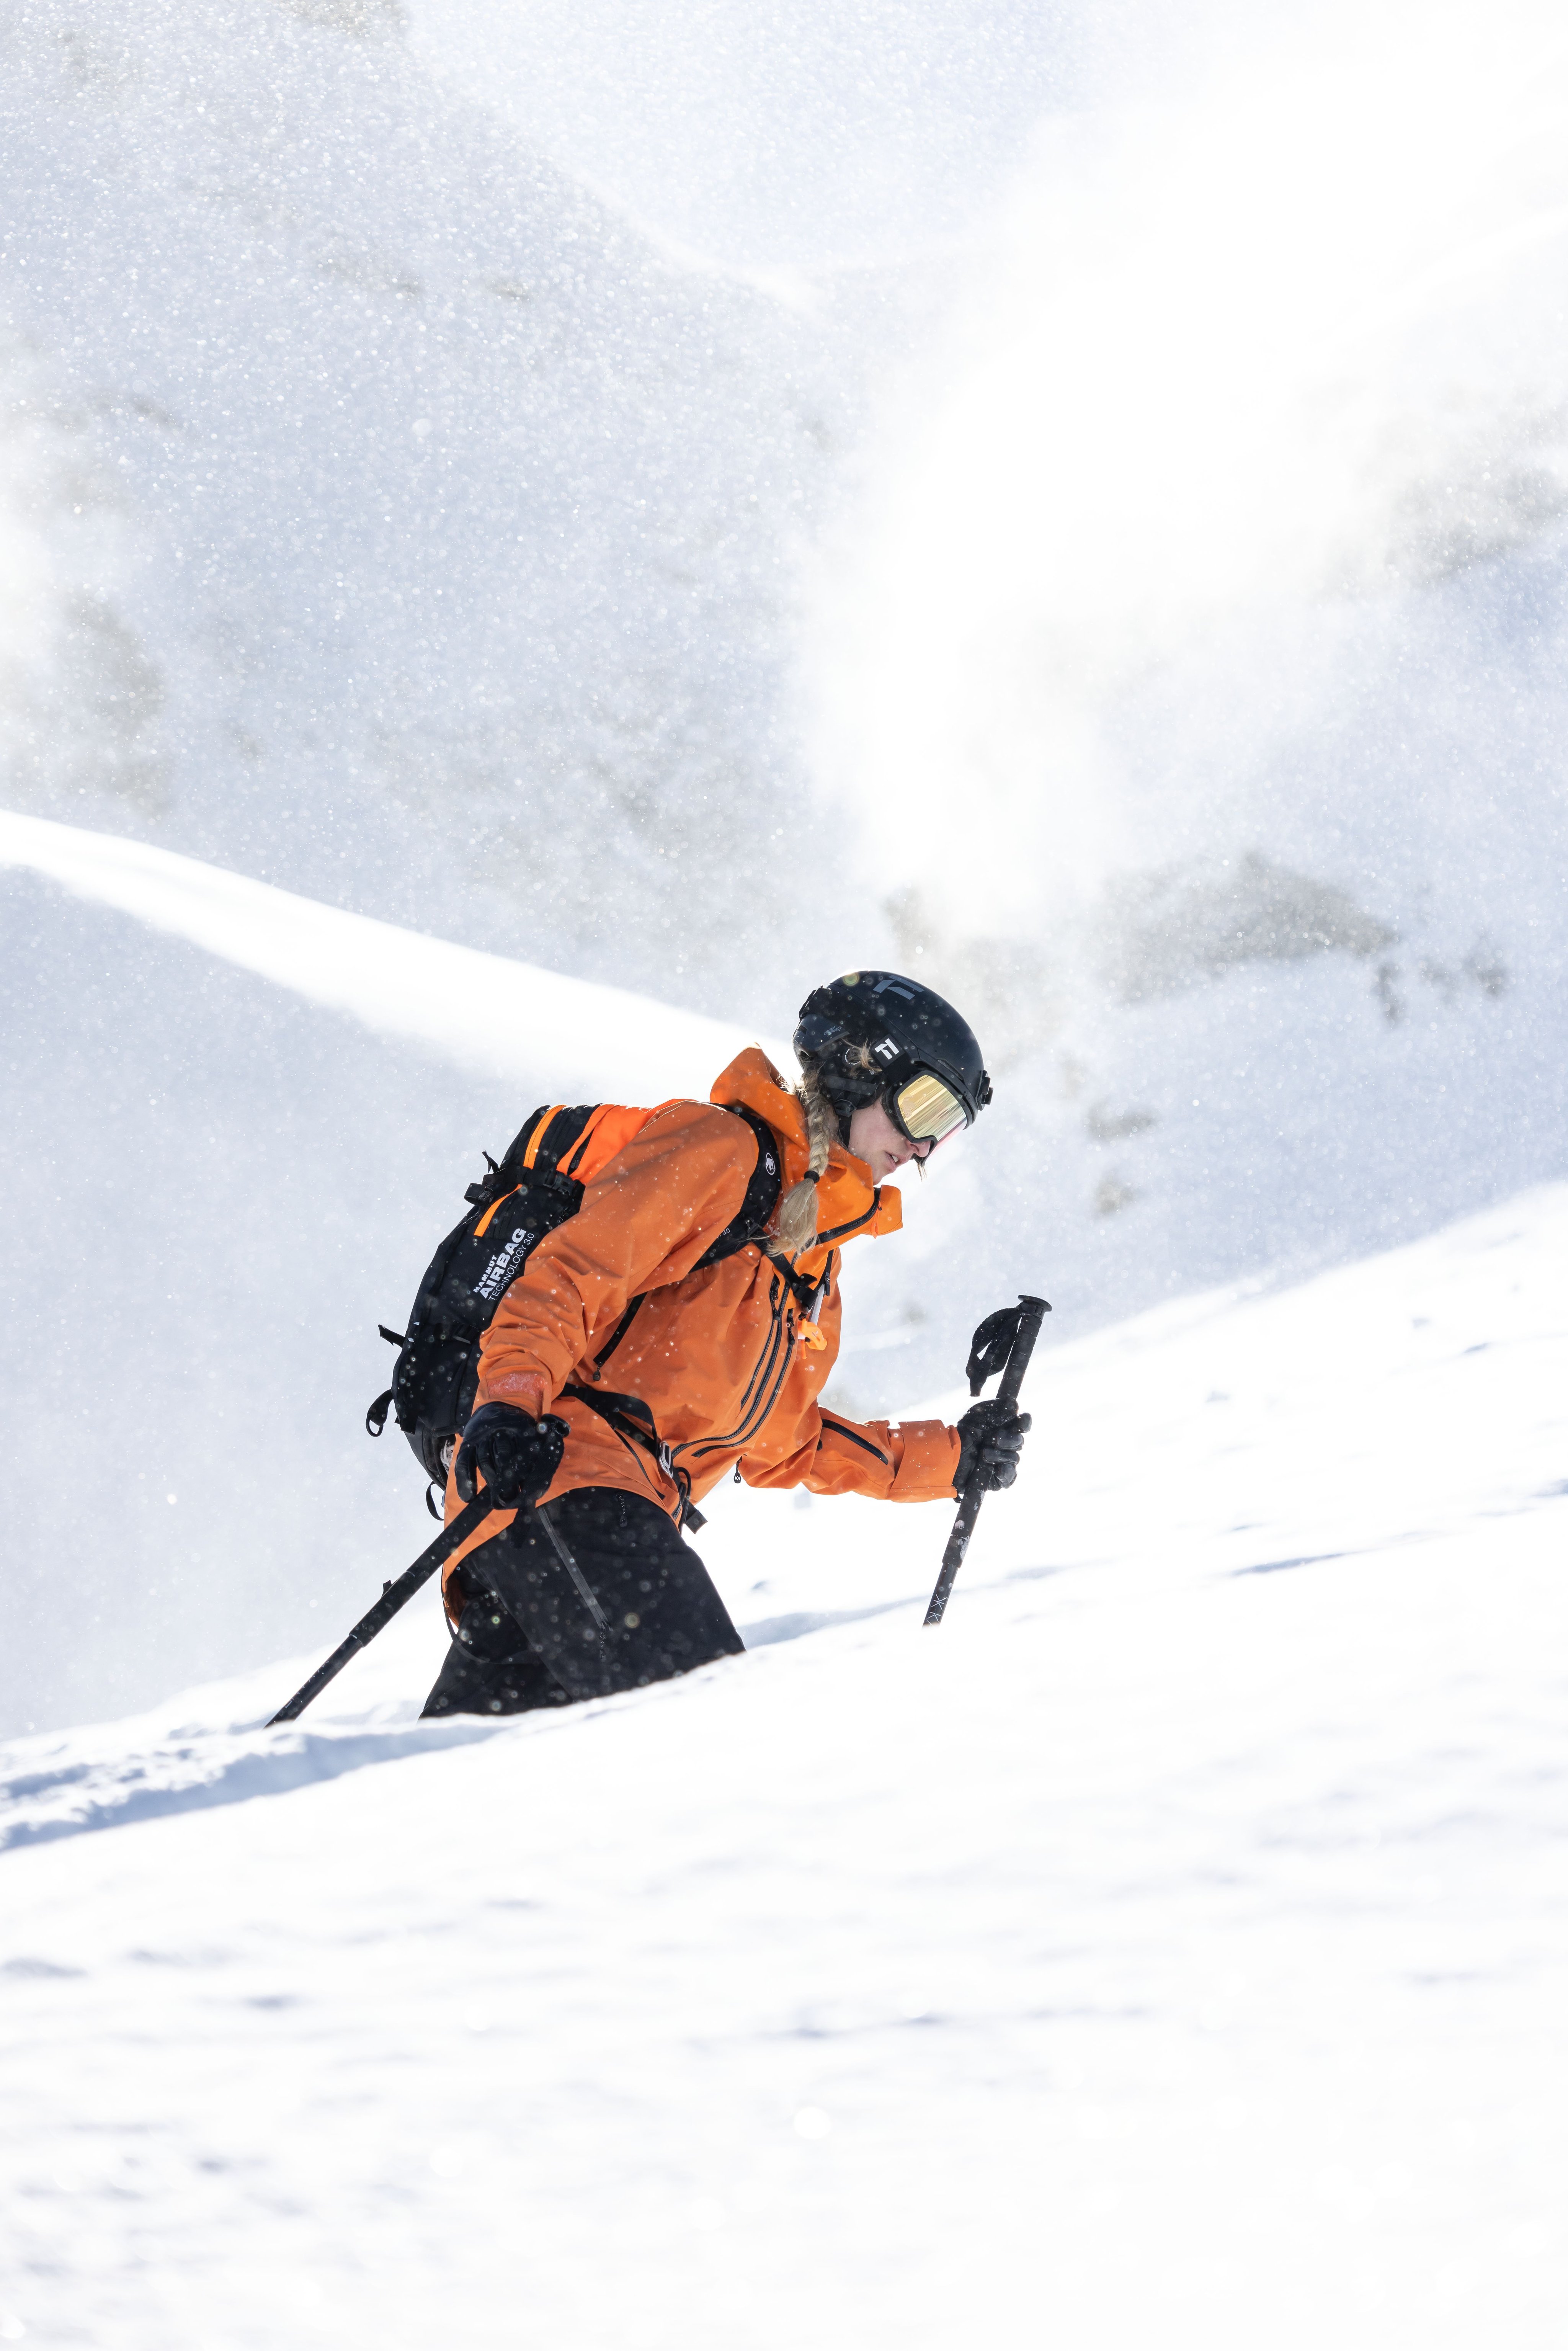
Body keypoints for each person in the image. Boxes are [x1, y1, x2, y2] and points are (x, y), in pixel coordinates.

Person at [420, 970, 1031, 1719]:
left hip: (598, 1523)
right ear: (856, 1067)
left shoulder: (813, 1266)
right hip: (559, 1479)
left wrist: (950, 1457)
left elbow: (782, 1445)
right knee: (705, 1733)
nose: (924, 1143)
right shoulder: (718, 1150)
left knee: (475, 1799)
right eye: (924, 1105)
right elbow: (569, 1277)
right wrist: (511, 1403)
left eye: (949, 1126)